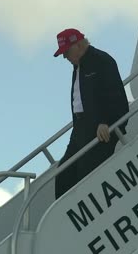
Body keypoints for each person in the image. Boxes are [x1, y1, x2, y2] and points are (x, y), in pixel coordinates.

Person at [53, 28, 129, 199]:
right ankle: (65, 220)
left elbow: (115, 96)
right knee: (64, 172)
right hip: (81, 129)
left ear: (79, 45)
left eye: (67, 52)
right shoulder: (78, 66)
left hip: (100, 129)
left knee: (87, 174)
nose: (65, 57)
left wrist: (106, 122)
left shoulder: (102, 61)